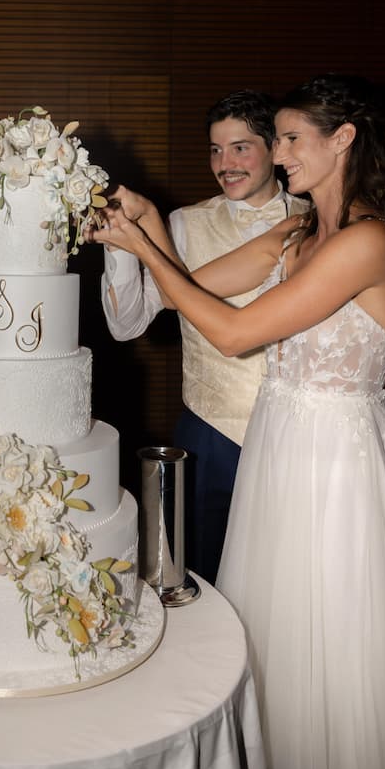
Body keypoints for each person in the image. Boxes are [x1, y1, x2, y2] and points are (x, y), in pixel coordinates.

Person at [88, 74, 385, 769]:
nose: (279, 152)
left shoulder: (369, 241)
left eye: (291, 139)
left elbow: (234, 332)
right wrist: (146, 225)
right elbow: (196, 290)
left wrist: (145, 250)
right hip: (278, 450)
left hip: (336, 468)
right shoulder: (299, 227)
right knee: (269, 634)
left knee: (329, 643)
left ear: (343, 141)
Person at [100, 90, 308, 584]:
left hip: (294, 430)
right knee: (203, 573)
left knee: (284, 575)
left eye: (240, 147)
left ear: (275, 149)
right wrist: (124, 246)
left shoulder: (316, 218)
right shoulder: (183, 224)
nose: (225, 163)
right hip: (209, 432)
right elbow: (125, 324)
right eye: (215, 150)